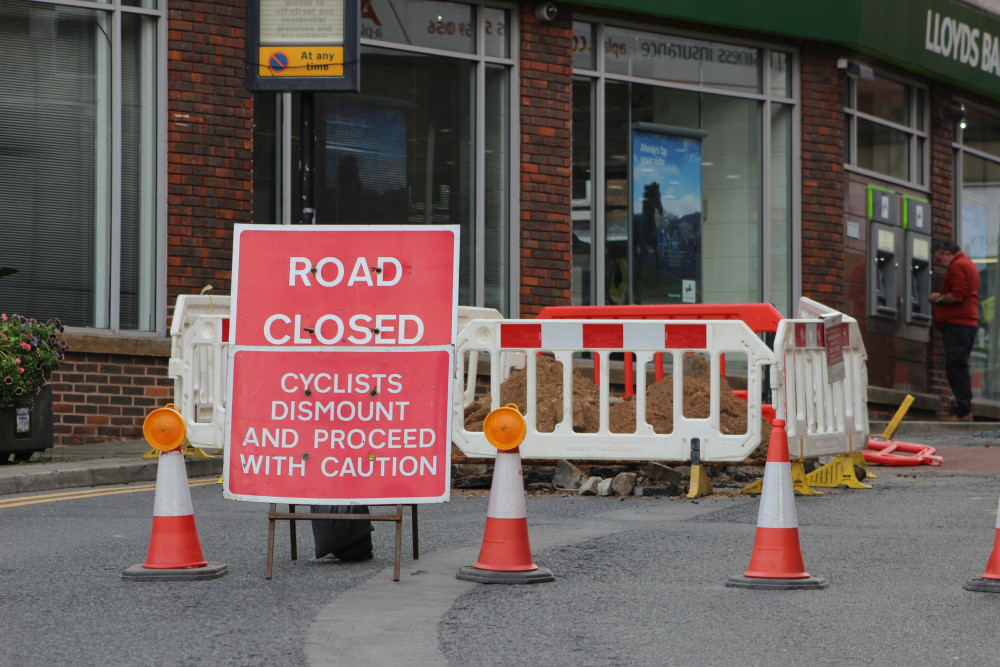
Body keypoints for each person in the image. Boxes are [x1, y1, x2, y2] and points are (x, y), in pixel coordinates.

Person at [929, 240, 980, 421]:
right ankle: (963, 409)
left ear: (947, 254)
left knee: (956, 366)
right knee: (959, 365)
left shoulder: (958, 266)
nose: (939, 265)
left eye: (938, 259)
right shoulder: (969, 264)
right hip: (966, 323)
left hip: (958, 323)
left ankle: (963, 411)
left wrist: (939, 298)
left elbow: (958, 295)